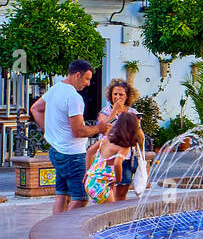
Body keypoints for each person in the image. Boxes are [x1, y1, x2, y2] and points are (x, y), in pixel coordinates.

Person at [30, 61, 110, 213]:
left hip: (56, 151)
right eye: (87, 79)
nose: (88, 84)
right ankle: (65, 230)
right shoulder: (74, 97)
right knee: (80, 198)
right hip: (73, 155)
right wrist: (99, 128)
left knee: (62, 195)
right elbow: (78, 131)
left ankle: (54, 231)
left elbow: (35, 109)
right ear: (77, 75)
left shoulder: (56, 89)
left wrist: (51, 132)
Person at [89, 78, 145, 189]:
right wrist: (114, 111)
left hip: (127, 157)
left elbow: (140, 138)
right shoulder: (105, 111)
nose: (117, 97)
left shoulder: (132, 112)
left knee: (122, 192)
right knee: (110, 193)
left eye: (121, 94)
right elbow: (103, 128)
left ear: (127, 96)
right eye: (115, 94)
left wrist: (137, 126)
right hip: (108, 158)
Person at [83, 112, 142, 205]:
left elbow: (89, 152)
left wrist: (87, 171)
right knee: (110, 215)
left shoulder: (106, 139)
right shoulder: (124, 147)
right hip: (101, 185)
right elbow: (117, 164)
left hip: (90, 181)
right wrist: (118, 180)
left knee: (102, 212)